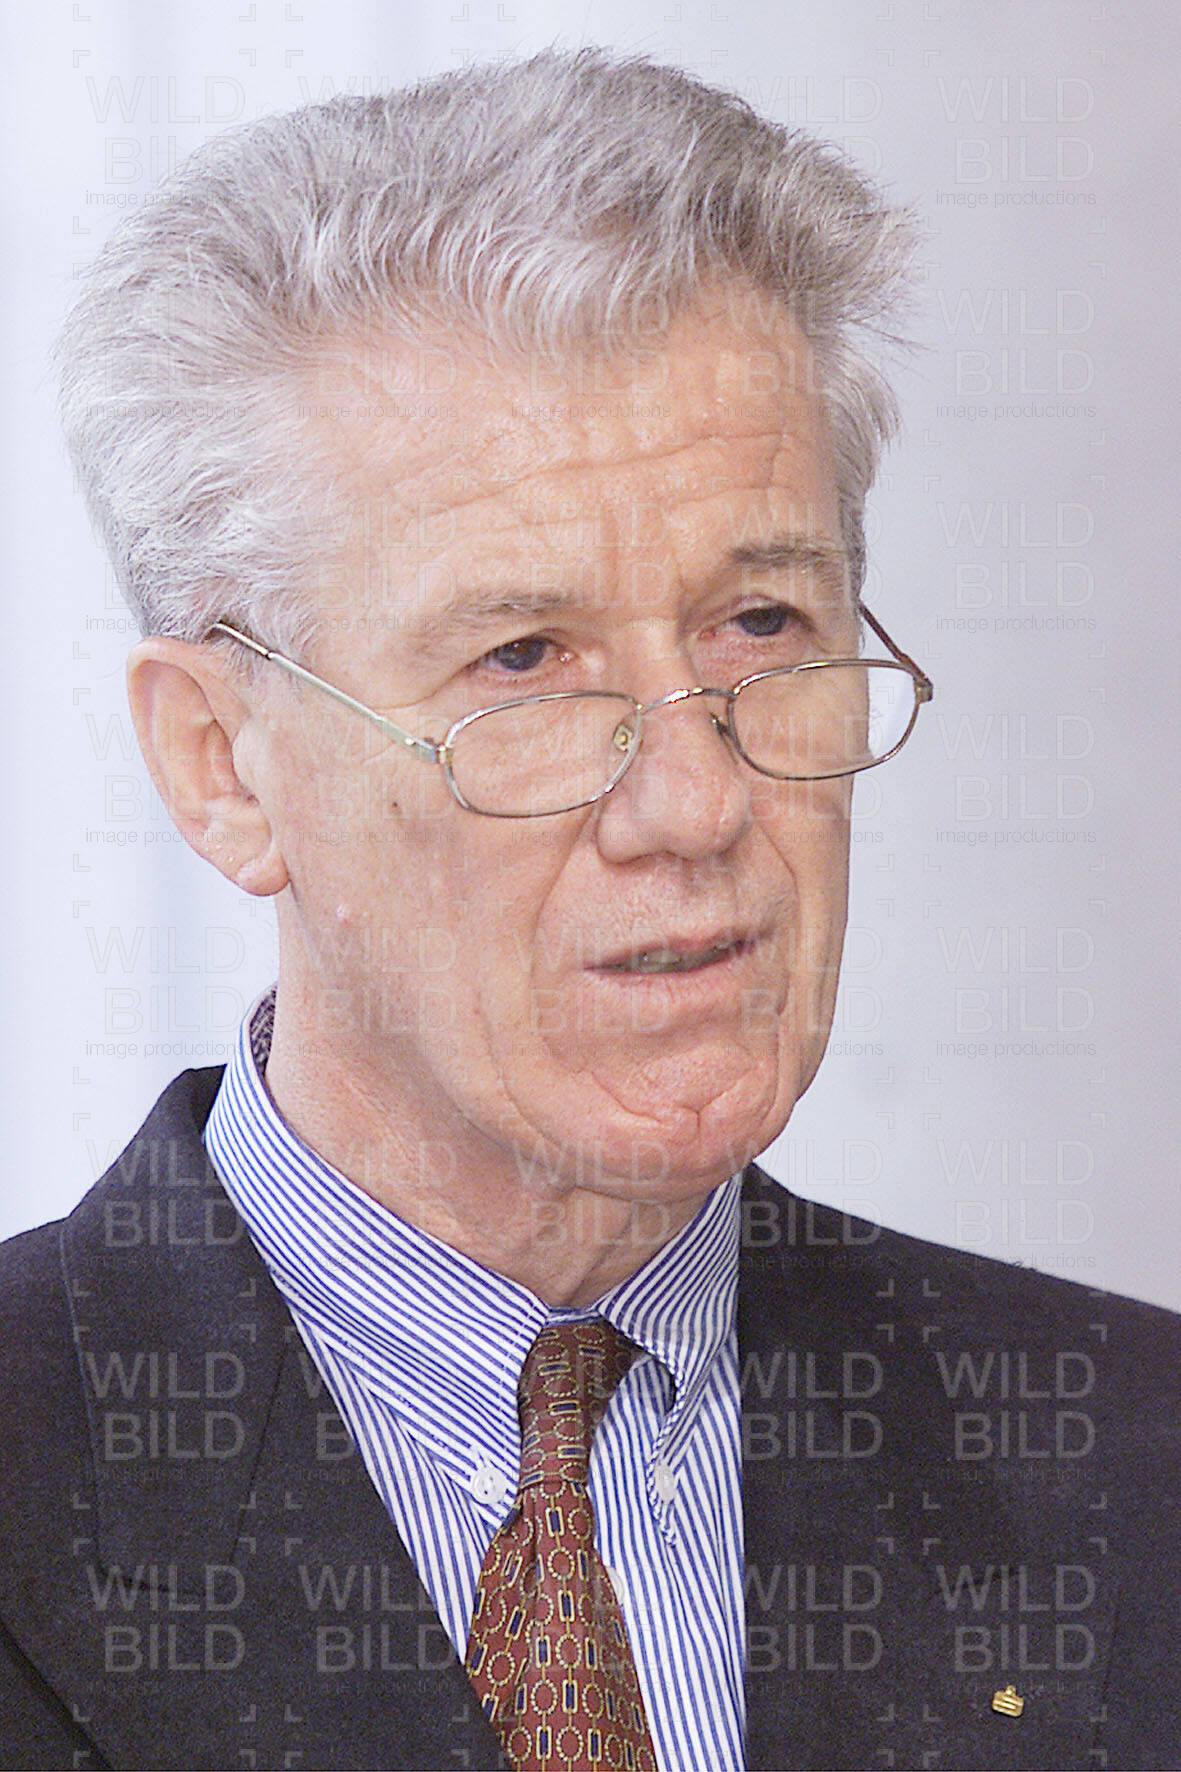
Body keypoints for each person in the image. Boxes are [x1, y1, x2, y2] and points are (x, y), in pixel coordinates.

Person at [1, 48, 1176, 1772]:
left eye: (759, 626)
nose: (696, 804)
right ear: (221, 765)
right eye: (523, 659)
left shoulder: (1137, 1468)